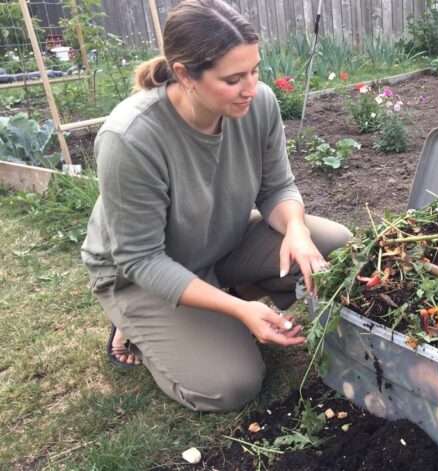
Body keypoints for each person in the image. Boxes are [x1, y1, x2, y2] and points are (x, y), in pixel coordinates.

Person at [81, 0, 351, 412]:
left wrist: (296, 231)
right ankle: (134, 326)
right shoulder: (131, 138)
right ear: (185, 75)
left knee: (332, 243)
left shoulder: (259, 103)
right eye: (233, 79)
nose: (251, 88)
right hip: (138, 274)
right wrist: (240, 309)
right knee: (232, 384)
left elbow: (278, 187)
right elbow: (140, 258)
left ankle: (216, 304)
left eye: (255, 70)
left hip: (219, 241)